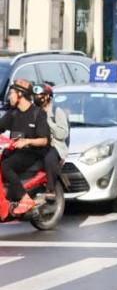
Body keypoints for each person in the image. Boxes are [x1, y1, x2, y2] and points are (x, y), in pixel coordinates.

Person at [0, 80, 51, 219]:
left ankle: (25, 198)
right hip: (14, 151)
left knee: (4, 166)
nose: (9, 97)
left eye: (11, 93)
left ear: (20, 94)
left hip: (31, 153)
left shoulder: (37, 114)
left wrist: (27, 141)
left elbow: (44, 140)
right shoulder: (13, 113)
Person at [33, 82, 68, 197]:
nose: (36, 97)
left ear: (47, 96)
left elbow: (63, 134)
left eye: (39, 95)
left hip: (54, 145)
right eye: (35, 95)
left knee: (49, 159)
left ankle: (51, 189)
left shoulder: (57, 111)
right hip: (39, 144)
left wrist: (48, 121)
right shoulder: (34, 111)